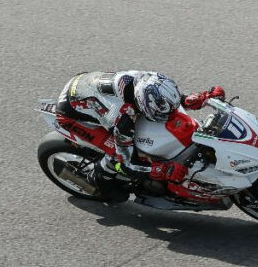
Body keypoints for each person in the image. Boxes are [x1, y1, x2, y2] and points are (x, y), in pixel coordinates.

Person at [56, 71, 225, 203]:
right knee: (115, 155)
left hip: (85, 84)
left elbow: (167, 100)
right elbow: (127, 164)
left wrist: (197, 99)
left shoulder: (150, 80)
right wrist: (161, 170)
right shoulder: (122, 118)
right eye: (160, 115)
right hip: (70, 114)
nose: (171, 116)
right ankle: (98, 178)